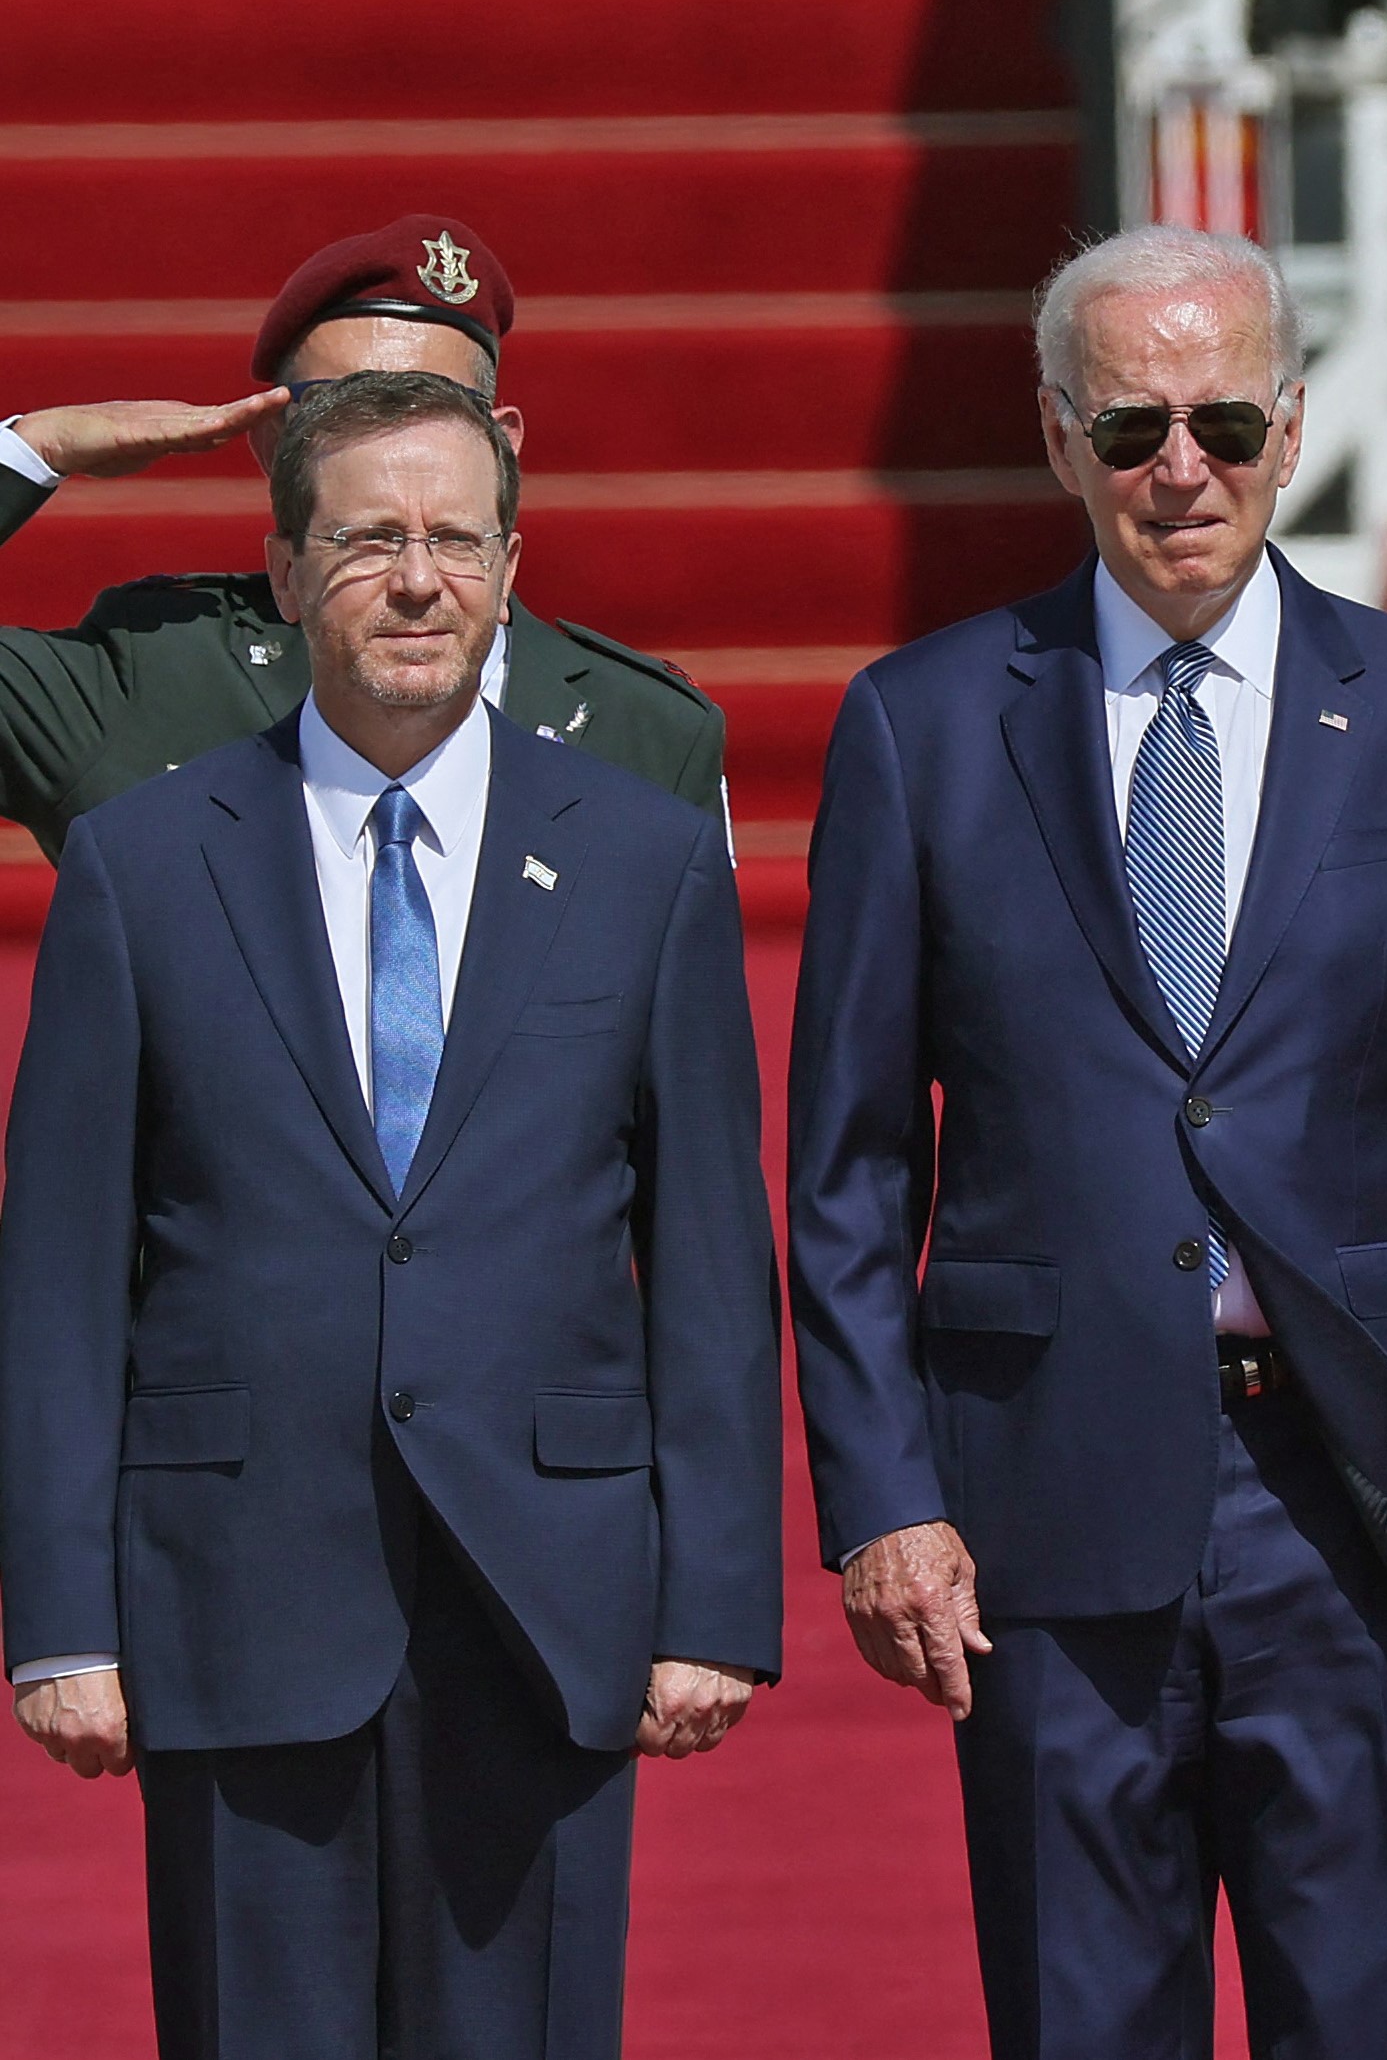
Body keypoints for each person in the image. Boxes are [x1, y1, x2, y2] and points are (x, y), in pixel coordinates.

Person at [788, 224, 1387, 2059]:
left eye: (1224, 422)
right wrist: (886, 1499)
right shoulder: (920, 726)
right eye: (1132, 424)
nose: (1183, 471)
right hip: (1044, 1509)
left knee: (1373, 2014)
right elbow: (846, 1167)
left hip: (1357, 1498)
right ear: (1058, 439)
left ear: (1294, 426)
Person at [0, 371, 784, 2057]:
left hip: (547, 1595)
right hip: (233, 1590)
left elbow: (713, 1260)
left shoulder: (645, 862)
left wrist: (712, 1597)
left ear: (511, 564)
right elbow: (57, 1277)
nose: (416, 579)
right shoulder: (143, 861)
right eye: (366, 541)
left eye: (453, 537)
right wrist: (59, 1618)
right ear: (282, 573)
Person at [0, 213, 727, 859]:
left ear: (502, 446)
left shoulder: (648, 730)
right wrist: (34, 450)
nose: (395, 448)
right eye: (348, 414)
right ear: (273, 445)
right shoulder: (153, 678)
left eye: (436, 411)